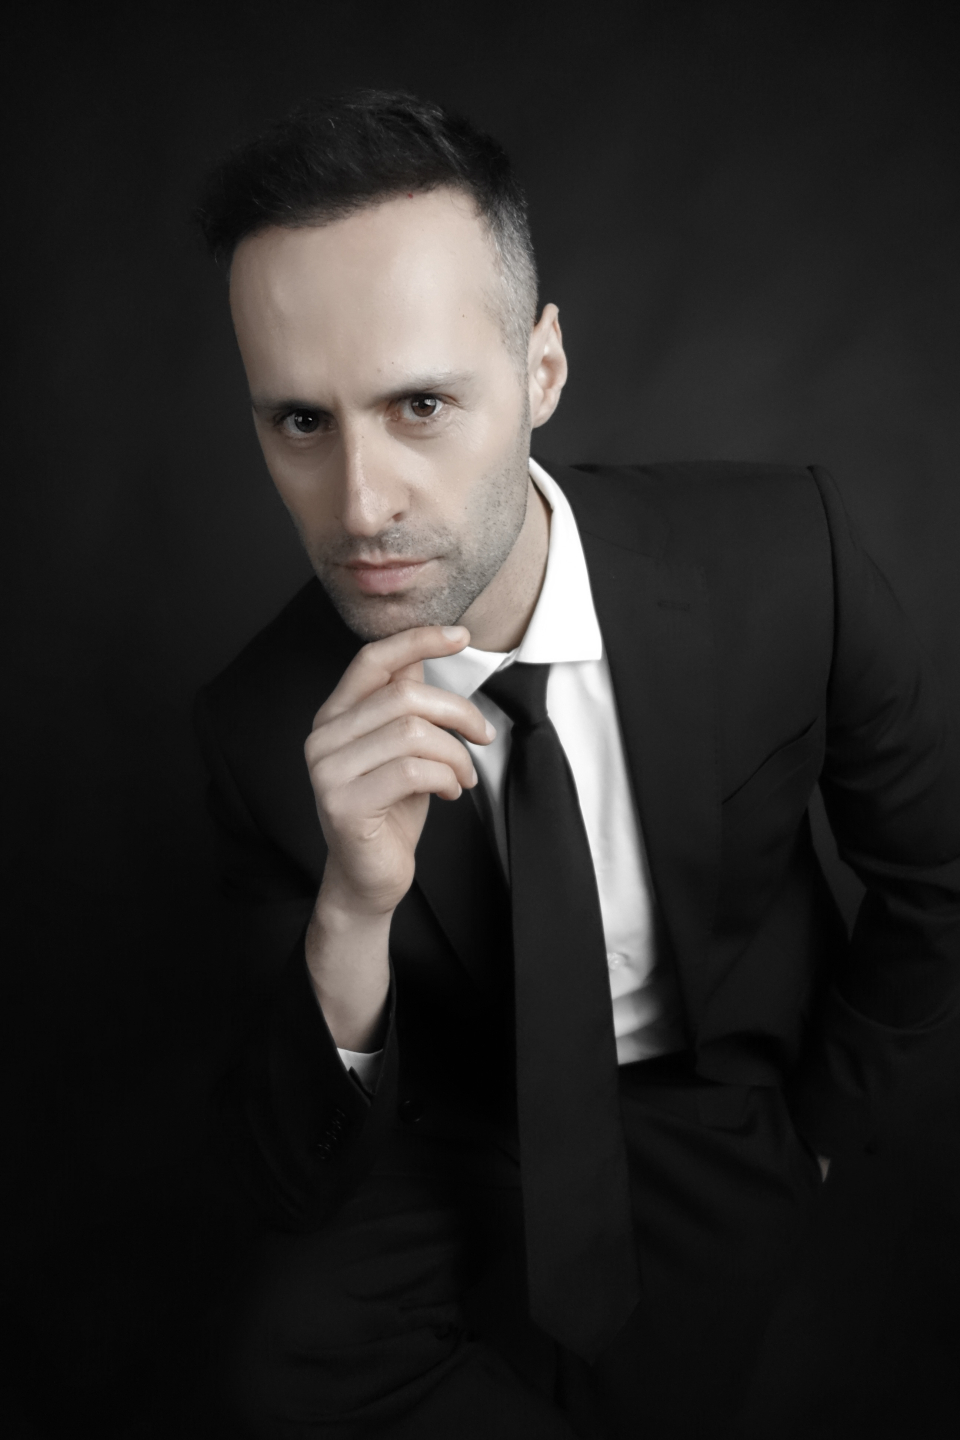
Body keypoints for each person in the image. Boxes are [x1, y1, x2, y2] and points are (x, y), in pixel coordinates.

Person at [193, 89, 960, 1438]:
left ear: (542, 371)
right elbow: (285, 1168)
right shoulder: (259, 728)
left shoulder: (789, 560)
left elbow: (936, 876)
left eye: (421, 404)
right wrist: (353, 911)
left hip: (720, 1106)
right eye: (301, 423)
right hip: (442, 1129)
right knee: (270, 1374)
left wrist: (830, 1124)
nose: (361, 505)